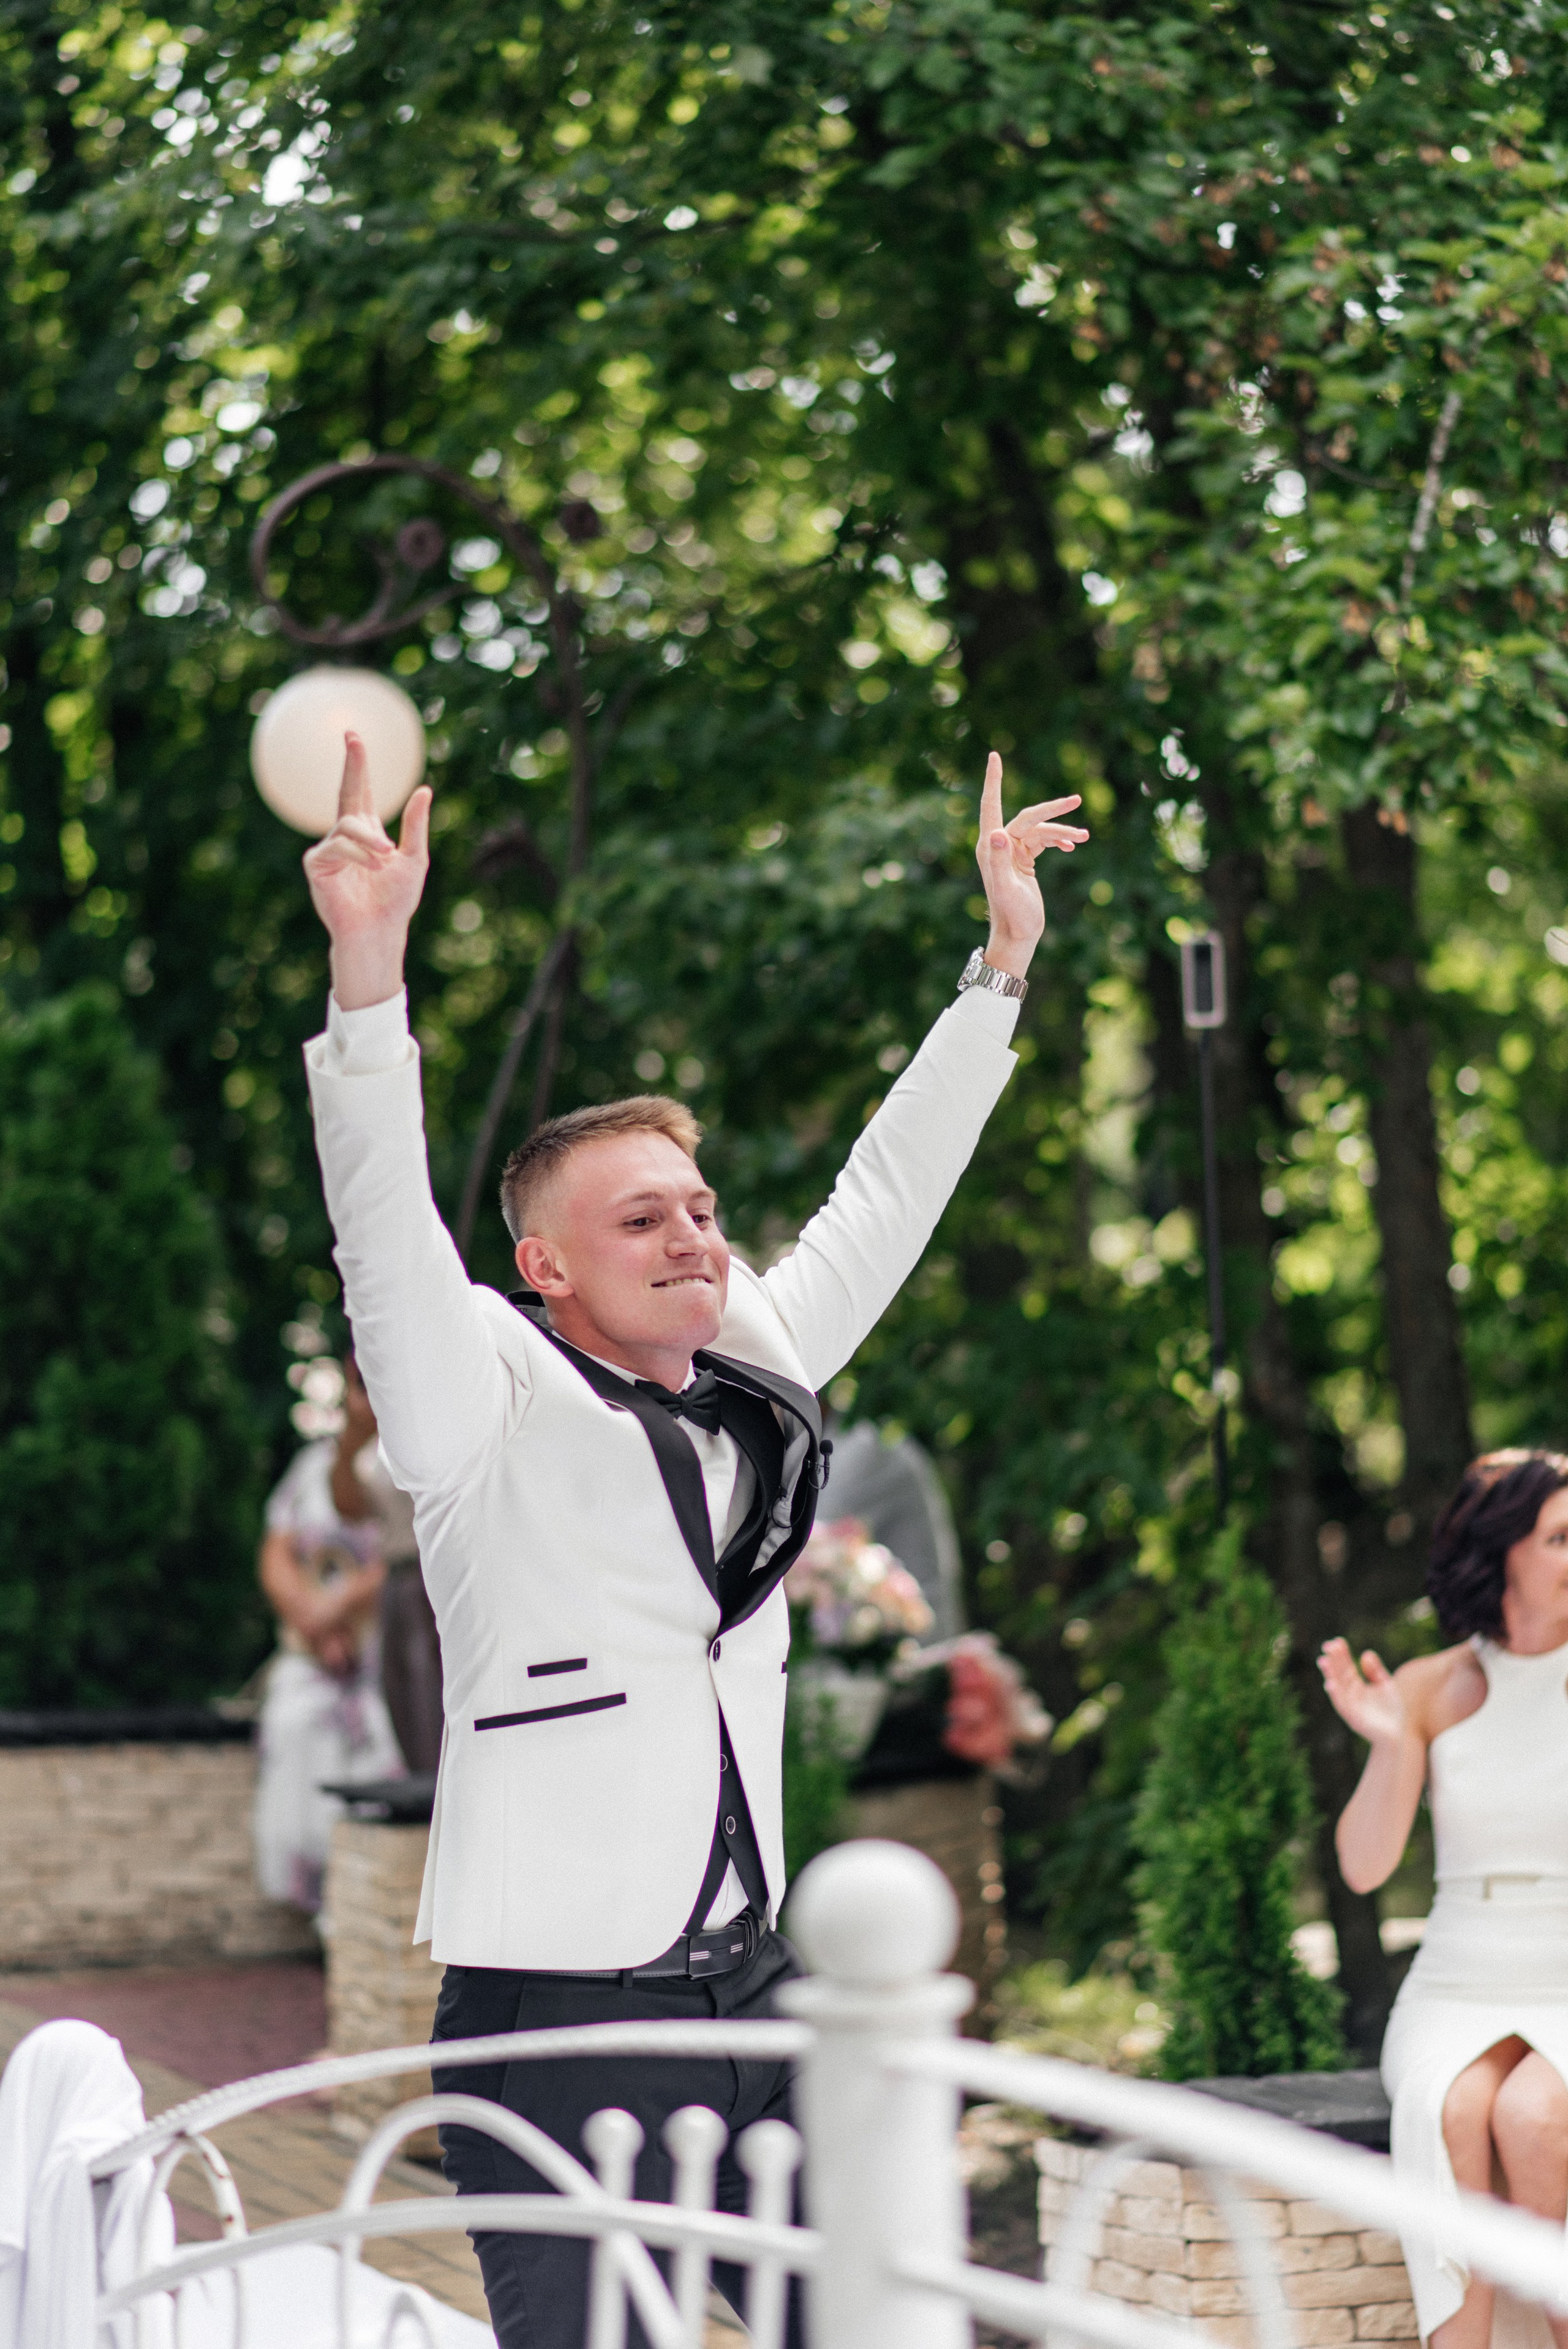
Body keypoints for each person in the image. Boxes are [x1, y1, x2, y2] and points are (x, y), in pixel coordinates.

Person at [300, 731, 1087, 2349]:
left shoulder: (760, 1364)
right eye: (642, 1217)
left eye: (705, 1204)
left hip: (758, 1980)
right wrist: (368, 978)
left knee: (866, 2317)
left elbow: (884, 1199)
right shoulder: (481, 1395)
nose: (695, 1232)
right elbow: (380, 1235)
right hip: (565, 2009)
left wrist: (998, 970)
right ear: (545, 1265)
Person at [1320, 1449, 1568, 2349]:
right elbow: (1363, 1865)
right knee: (1452, 2109)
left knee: (1533, 2113)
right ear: (1503, 1550)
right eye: (1561, 1536)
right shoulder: (1427, 1685)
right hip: (1458, 1979)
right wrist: (1391, 1746)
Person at [254, 1354, 406, 1912]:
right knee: (296, 1726)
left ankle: (360, 1906)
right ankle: (315, 1902)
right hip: (318, 1653)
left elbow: (407, 1557)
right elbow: (277, 1552)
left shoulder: (407, 1465)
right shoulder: (311, 1466)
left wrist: (341, 1605)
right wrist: (315, 1623)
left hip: (385, 1652)